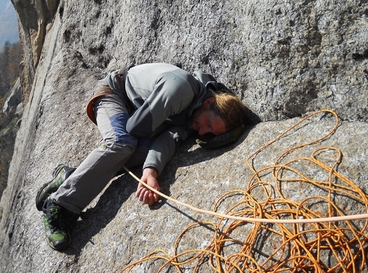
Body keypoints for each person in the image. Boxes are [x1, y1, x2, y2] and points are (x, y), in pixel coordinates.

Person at [36, 63, 247, 251]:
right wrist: (166, 129)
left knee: (142, 153)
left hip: (133, 110)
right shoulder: (180, 90)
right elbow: (135, 128)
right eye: (208, 124)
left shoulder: (196, 111)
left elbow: (168, 141)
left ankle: (71, 176)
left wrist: (151, 171)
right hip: (114, 95)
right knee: (123, 144)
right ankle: (58, 205)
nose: (202, 132)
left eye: (209, 133)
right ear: (209, 102)